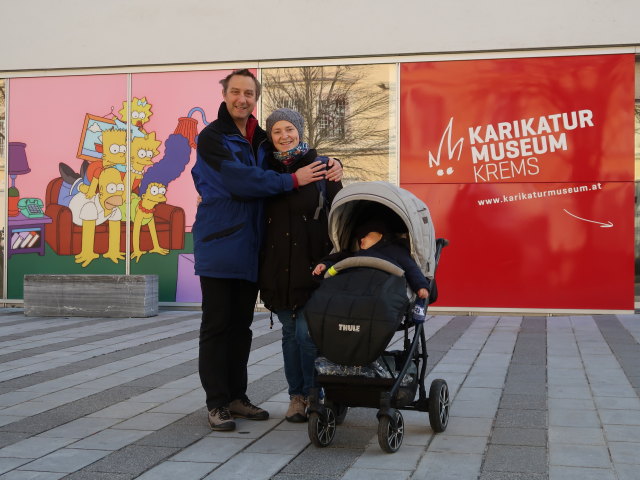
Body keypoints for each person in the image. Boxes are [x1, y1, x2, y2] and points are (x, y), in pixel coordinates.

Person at [191, 69, 342, 432]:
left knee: (241, 328)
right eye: (236, 92)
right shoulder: (213, 138)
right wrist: (293, 180)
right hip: (220, 246)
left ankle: (236, 397)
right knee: (216, 327)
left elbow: (291, 153)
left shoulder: (260, 138)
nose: (242, 99)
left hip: (252, 250)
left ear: (255, 98)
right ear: (225, 95)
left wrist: (333, 165)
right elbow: (239, 180)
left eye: (249, 94)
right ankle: (216, 403)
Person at [259, 108, 343, 423]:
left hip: (313, 266)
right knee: (290, 332)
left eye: (289, 129)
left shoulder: (322, 168)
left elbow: (340, 216)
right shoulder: (264, 171)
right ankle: (296, 398)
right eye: (277, 131)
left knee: (307, 335)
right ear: (270, 136)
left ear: (300, 130)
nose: (284, 136)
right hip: (277, 267)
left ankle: (314, 395)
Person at [313, 218, 430, 299]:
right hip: (356, 290)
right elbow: (339, 261)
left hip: (383, 291)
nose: (361, 240)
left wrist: (420, 286)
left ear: (380, 235)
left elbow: (411, 268)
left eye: (366, 235)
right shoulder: (357, 254)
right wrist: (325, 266)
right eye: (360, 238)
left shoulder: (395, 251)